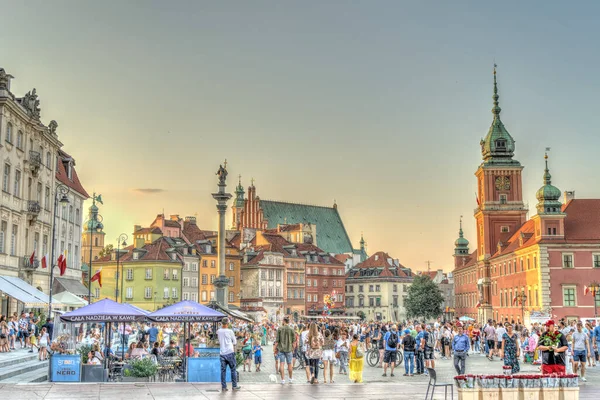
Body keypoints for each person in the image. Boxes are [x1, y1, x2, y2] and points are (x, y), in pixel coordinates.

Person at [217, 318, 240, 392]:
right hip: (230, 352)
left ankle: (224, 387)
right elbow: (235, 342)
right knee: (233, 370)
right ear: (227, 324)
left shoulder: (219, 331)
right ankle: (234, 386)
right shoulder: (230, 331)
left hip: (222, 353)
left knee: (223, 371)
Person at [275, 317, 296, 385]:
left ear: (284, 321)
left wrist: (275, 349)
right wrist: (293, 349)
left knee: (282, 364)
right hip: (289, 349)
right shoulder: (291, 329)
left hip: (281, 349)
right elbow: (294, 342)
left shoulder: (280, 329)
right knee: (289, 364)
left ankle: (283, 380)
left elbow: (277, 341)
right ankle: (290, 379)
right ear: (288, 321)